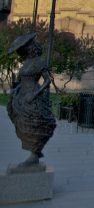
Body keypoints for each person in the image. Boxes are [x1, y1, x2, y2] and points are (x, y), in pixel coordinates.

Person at [6, 33, 57, 172]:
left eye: (22, 49)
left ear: (30, 48)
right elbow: (22, 80)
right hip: (21, 96)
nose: (20, 52)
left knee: (33, 124)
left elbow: (48, 80)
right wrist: (16, 89)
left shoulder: (39, 62)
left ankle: (34, 154)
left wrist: (34, 94)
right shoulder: (27, 62)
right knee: (21, 122)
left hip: (32, 97)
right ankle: (33, 154)